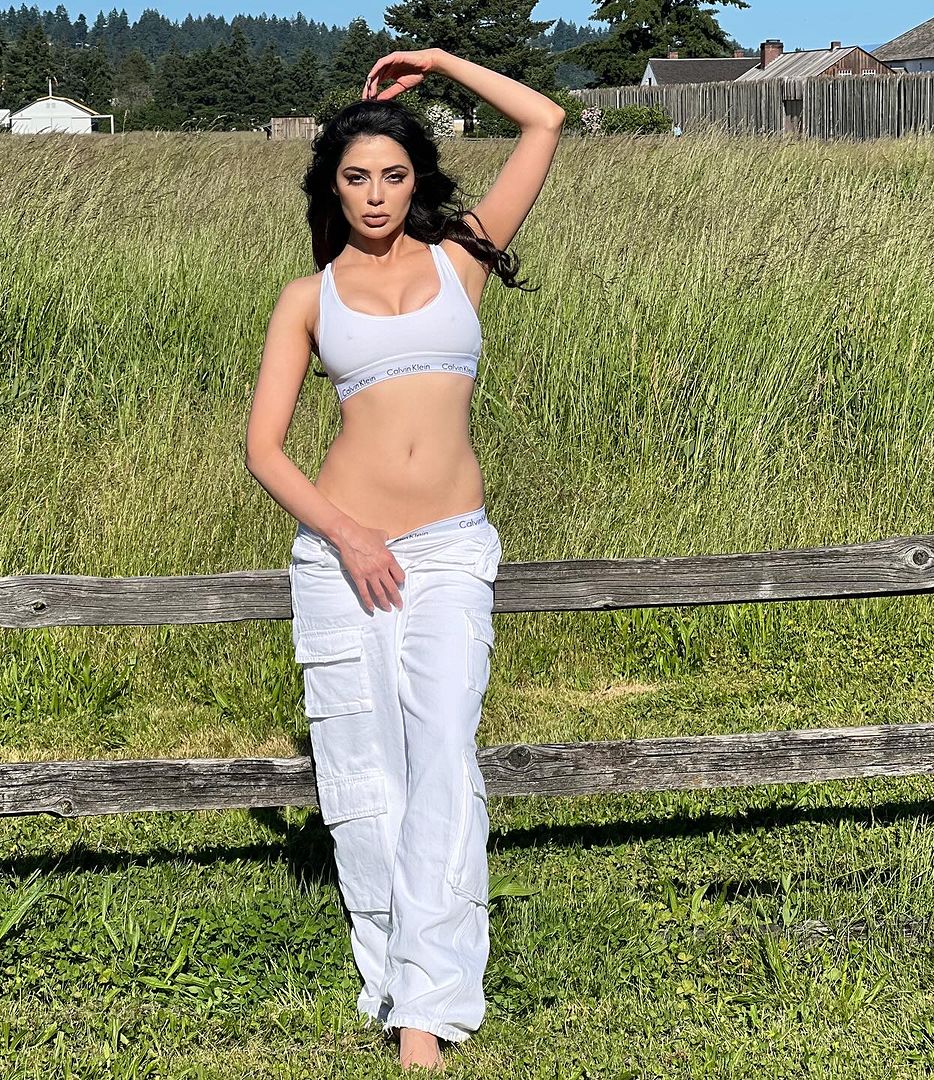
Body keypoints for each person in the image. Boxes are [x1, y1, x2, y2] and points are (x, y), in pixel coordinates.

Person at [245, 48, 564, 1072]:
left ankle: (427, 1004)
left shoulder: (461, 259)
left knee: (444, 756)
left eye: (393, 174)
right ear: (332, 188)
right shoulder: (307, 297)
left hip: (451, 549)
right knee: (364, 767)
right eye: (357, 176)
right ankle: (394, 982)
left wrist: (438, 61)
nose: (377, 194)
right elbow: (264, 450)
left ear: (416, 179)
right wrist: (348, 534)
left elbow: (545, 121)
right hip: (344, 556)